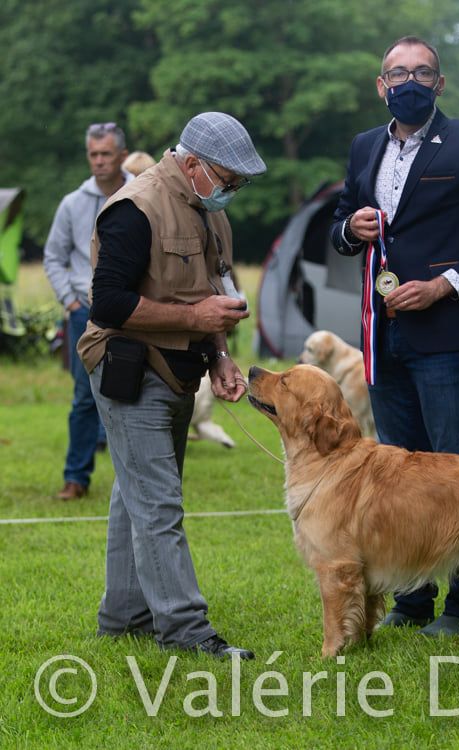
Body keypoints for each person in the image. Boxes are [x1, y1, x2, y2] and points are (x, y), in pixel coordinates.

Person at [330, 36, 459, 636]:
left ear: (439, 84)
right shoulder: (364, 146)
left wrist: (445, 286)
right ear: (380, 84)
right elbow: (339, 228)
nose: (407, 81)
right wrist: (350, 228)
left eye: (421, 72)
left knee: (457, 472)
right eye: (396, 73)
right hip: (382, 337)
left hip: (446, 335)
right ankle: (412, 602)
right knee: (397, 478)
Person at [77, 112, 266, 659]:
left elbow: (211, 296)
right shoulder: (134, 210)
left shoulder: (211, 212)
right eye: (228, 179)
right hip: (126, 365)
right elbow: (108, 303)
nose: (233, 190)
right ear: (190, 164)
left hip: (182, 367)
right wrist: (196, 321)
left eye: (239, 182)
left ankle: (122, 618)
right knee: (158, 503)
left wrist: (221, 358)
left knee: (133, 495)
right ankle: (186, 631)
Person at [43, 123, 132, 500]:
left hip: (134, 310)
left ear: (122, 156)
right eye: (93, 154)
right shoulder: (72, 203)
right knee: (84, 397)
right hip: (87, 313)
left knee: (135, 395)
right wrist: (71, 301)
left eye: (105, 154)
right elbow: (53, 256)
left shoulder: (141, 193)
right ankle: (76, 477)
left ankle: (134, 480)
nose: (98, 161)